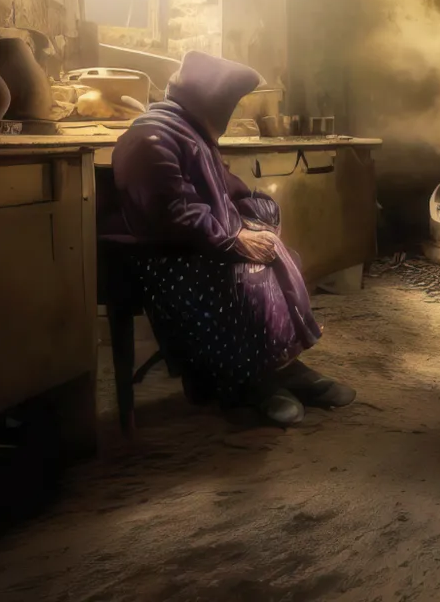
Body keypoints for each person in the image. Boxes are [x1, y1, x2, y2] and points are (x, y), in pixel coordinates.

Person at [110, 51, 354, 426]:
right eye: (228, 103)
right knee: (247, 273)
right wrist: (232, 240)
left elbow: (229, 191)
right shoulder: (151, 138)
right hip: (166, 258)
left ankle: (282, 365)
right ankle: (244, 380)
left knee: (274, 253)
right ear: (209, 101)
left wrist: (259, 215)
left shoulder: (189, 132)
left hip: (200, 243)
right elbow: (175, 213)